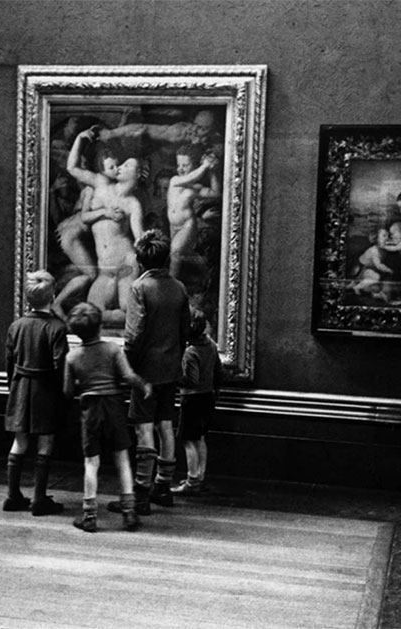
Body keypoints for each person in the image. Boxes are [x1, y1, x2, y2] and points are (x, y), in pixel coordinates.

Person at [108, 229, 191, 515]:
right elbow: (185, 331)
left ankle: (141, 493)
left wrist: (127, 368)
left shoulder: (139, 288)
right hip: (171, 368)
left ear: (141, 261)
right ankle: (163, 486)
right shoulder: (179, 288)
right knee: (166, 424)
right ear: (166, 258)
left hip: (145, 371)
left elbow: (133, 336)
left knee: (144, 428)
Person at [63, 302, 152, 533]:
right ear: (100, 325)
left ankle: (89, 516)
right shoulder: (113, 349)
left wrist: (82, 381)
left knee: (91, 462)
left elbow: (67, 391)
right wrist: (144, 386)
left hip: (90, 409)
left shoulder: (72, 357)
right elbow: (128, 376)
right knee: (122, 458)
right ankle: (129, 512)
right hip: (113, 406)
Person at [3, 270, 69, 516]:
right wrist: (64, 392)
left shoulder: (16, 325)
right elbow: (59, 365)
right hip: (45, 392)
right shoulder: (57, 328)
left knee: (19, 441)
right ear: (52, 296)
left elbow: (9, 361)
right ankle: (39, 499)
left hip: (20, 387)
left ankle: (12, 496)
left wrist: (13, 385)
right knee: (45, 442)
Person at [64, 128, 145, 326]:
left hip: (126, 265)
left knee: (127, 312)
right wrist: (79, 139)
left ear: (136, 175)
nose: (120, 166)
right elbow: (72, 168)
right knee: (93, 313)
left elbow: (140, 238)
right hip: (104, 269)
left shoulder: (133, 203)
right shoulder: (100, 183)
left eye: (126, 165)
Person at [54, 146, 120, 317]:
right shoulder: (91, 188)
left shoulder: (108, 188)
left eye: (117, 166)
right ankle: (57, 302)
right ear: (101, 169)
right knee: (91, 274)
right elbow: (84, 217)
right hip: (71, 236)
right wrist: (106, 212)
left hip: (78, 237)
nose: (117, 170)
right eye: (111, 167)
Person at [172, 308, 222, 496]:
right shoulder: (210, 344)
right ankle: (200, 477)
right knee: (200, 437)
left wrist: (174, 378)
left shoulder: (190, 352)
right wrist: (217, 390)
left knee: (187, 440)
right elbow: (218, 371)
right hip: (208, 396)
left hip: (192, 398)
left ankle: (192, 481)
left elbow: (191, 380)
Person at [167, 144, 220, 278]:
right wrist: (205, 165)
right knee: (181, 255)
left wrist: (211, 170)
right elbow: (191, 177)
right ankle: (206, 266)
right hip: (173, 227)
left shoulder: (195, 187)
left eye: (185, 165)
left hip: (187, 225)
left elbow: (215, 193)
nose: (181, 169)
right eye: (179, 165)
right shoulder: (175, 180)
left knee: (175, 253)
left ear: (194, 166)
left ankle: (171, 287)